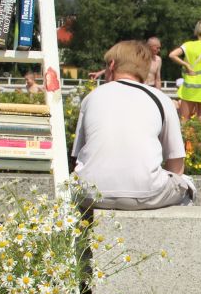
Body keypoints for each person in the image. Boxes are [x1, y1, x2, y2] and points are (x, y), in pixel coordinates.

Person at [72, 40, 194, 210]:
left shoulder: (91, 97)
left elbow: (78, 157)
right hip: (147, 194)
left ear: (112, 65)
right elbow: (176, 165)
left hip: (90, 194)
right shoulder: (161, 99)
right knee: (186, 183)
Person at [169, 20, 201, 121]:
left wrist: (186, 65)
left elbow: (172, 55)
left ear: (196, 32)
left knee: (184, 119)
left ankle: (185, 133)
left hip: (190, 88)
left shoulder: (188, 45)